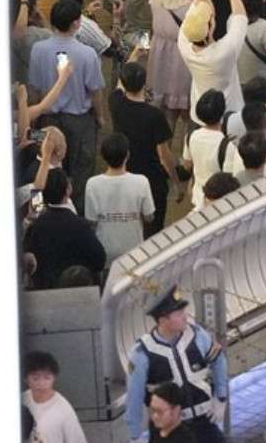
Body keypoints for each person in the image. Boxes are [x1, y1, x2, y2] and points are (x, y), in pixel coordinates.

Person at [125, 285, 230, 443]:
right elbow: (134, 396)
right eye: (179, 313)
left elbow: (218, 361)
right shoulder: (142, 353)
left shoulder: (197, 335)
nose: (185, 317)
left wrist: (221, 398)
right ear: (163, 320)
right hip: (169, 431)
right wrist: (135, 436)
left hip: (205, 423)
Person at [28, 0, 107, 198]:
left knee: (47, 163)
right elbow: (95, 92)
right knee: (81, 169)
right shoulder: (87, 54)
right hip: (80, 121)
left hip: (47, 118)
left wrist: (34, 116)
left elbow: (34, 88)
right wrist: (100, 117)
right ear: (76, 23)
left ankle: (51, 203)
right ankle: (77, 207)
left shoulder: (38, 49)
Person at [177, 0, 250, 120]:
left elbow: (195, 6)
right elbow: (240, 15)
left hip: (200, 112)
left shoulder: (184, 42)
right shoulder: (223, 52)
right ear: (210, 29)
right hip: (228, 115)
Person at [110, 61, 176, 232]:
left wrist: (133, 56)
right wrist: (176, 180)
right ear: (144, 84)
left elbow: (119, 85)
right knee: (153, 227)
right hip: (151, 178)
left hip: (125, 172)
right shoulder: (155, 115)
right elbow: (164, 155)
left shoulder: (116, 103)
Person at [24, 166, 107, 288]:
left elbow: (29, 262)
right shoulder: (80, 225)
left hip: (44, 292)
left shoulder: (36, 226)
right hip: (75, 290)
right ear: (68, 190)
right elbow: (99, 260)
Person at [83, 132, 154, 262]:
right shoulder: (141, 181)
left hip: (104, 251)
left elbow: (91, 221)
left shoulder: (92, 184)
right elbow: (149, 217)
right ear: (127, 155)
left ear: (103, 156)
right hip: (133, 251)